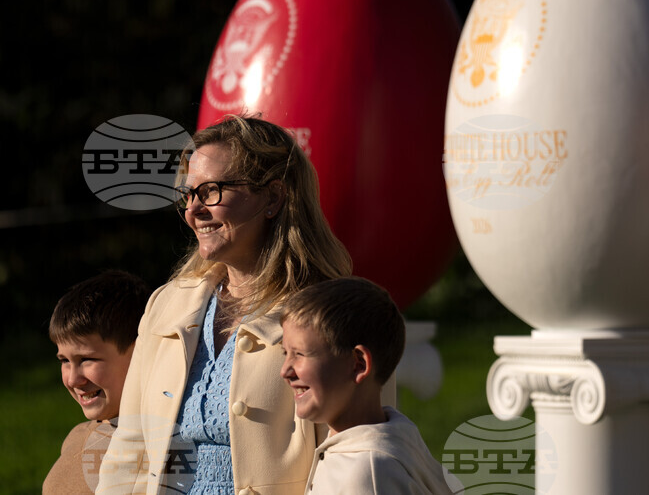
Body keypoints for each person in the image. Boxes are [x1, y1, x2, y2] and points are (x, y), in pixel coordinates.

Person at [97, 115, 352, 495]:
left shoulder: (332, 313)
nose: (193, 210)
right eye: (188, 194)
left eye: (211, 191)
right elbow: (130, 451)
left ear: (273, 197)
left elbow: (350, 459)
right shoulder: (167, 306)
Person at [280, 277, 451, 495]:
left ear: (358, 364)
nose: (284, 371)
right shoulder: (395, 440)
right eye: (286, 353)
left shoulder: (367, 476)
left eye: (300, 354)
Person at [44, 270, 150, 495]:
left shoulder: (158, 446)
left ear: (139, 352)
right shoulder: (78, 436)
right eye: (64, 360)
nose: (73, 379)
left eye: (87, 359)